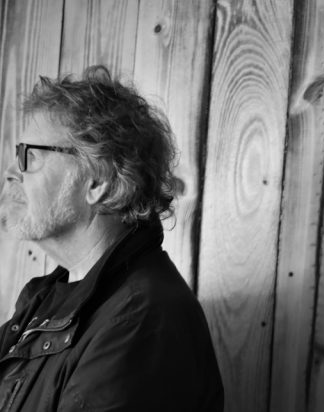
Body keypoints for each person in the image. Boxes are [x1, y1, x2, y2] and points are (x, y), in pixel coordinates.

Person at [0, 66, 223, 411]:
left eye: (29, 155)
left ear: (97, 180)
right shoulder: (44, 301)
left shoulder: (139, 320)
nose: (11, 171)